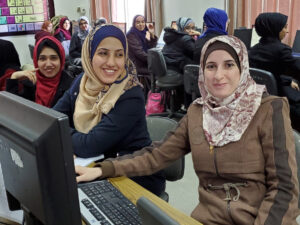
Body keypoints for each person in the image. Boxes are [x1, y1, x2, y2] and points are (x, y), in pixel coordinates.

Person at [75, 35, 299, 225]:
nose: (218, 75)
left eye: (229, 65)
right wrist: (104, 169)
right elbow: (157, 155)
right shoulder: (198, 112)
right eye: (211, 66)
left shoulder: (269, 109)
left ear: (242, 67)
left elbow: (285, 190)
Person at [53, 24, 165, 196]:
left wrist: (65, 137)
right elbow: (53, 118)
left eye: (119, 55)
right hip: (96, 167)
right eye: (103, 53)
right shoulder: (82, 81)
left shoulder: (131, 94)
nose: (112, 63)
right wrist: (74, 141)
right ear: (90, 55)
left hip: (132, 177)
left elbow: (90, 145)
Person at [248, 12, 300, 131]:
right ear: (275, 28)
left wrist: (287, 80)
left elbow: (268, 73)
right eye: (284, 27)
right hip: (282, 100)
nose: (287, 31)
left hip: (262, 98)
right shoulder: (282, 50)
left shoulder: (253, 50)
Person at [5, 36, 74, 107]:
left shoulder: (72, 87)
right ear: (36, 61)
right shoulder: (30, 83)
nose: (48, 64)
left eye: (53, 58)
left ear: (61, 60)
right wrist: (14, 78)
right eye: (42, 58)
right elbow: (13, 109)